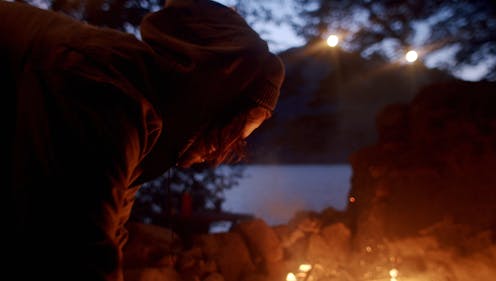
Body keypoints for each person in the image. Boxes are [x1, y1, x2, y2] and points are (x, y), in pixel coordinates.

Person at [1, 0, 285, 280]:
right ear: (211, 101)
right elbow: (78, 249)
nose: (216, 153)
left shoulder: (142, 112)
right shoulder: (105, 96)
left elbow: (110, 229)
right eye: (230, 134)